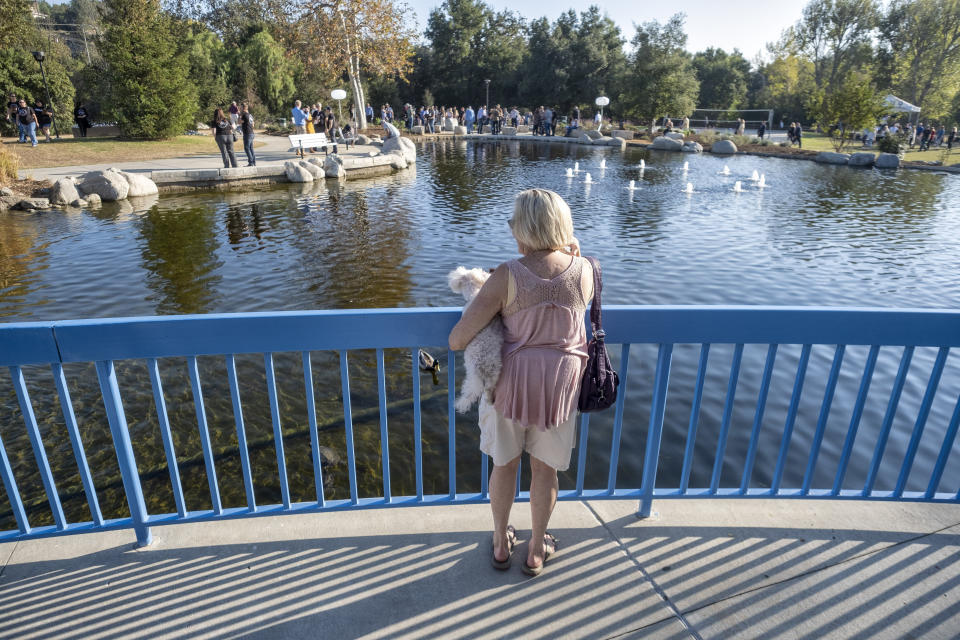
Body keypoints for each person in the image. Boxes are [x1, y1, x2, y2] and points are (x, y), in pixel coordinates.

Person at [448, 188, 592, 576]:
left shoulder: (508, 275)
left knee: (505, 465)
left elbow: (458, 338)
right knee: (545, 471)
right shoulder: (588, 270)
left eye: (515, 223)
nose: (512, 231)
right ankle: (536, 550)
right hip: (562, 388)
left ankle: (499, 543)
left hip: (509, 387)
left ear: (525, 229)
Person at [239, 102, 256, 166]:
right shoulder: (250, 115)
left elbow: (239, 122)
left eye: (240, 108)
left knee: (247, 148)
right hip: (251, 133)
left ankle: (251, 162)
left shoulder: (244, 115)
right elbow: (253, 124)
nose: (239, 109)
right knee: (251, 148)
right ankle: (253, 162)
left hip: (247, 133)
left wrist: (240, 116)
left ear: (243, 108)